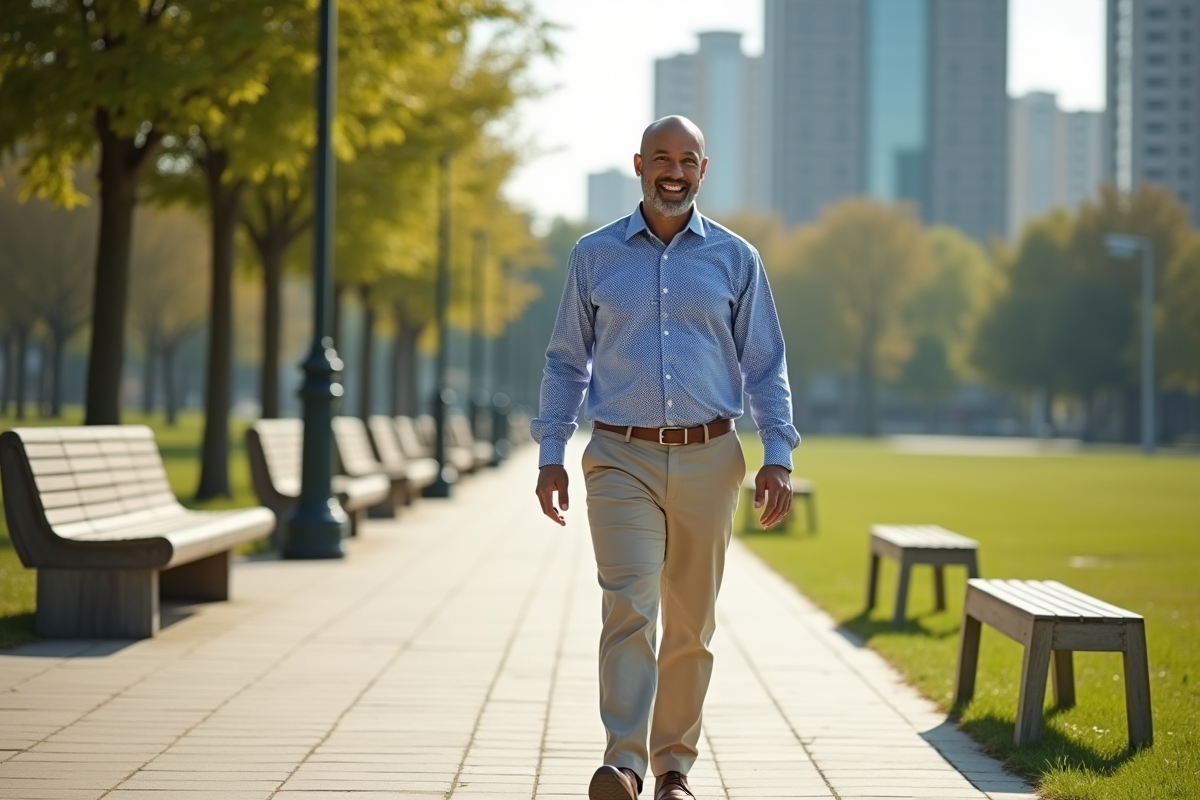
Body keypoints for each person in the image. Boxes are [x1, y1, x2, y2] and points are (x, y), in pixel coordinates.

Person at [532, 116, 800, 800]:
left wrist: (777, 452)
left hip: (711, 455)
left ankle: (673, 768)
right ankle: (622, 761)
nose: (673, 171)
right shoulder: (594, 255)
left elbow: (766, 363)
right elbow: (566, 360)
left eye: (686, 159)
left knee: (691, 620)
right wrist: (551, 451)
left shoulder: (736, 259)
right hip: (620, 456)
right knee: (629, 606)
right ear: (639, 165)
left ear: (703, 172)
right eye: (661, 158)